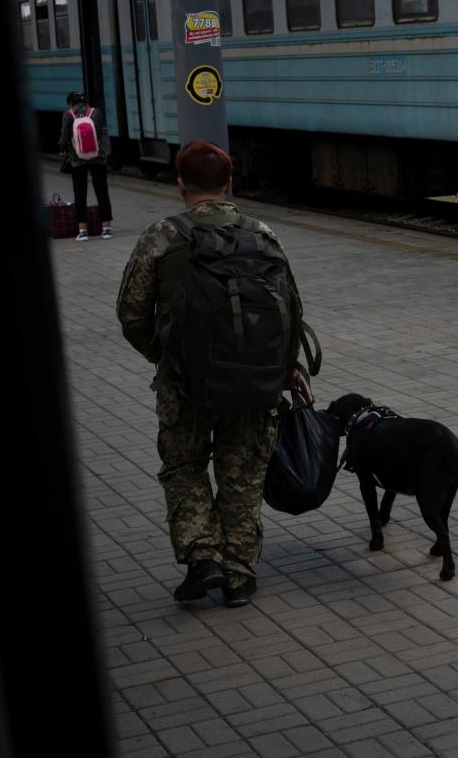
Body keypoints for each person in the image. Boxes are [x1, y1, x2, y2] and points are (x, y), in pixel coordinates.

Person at [116, 141, 311, 607]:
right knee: (242, 475)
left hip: (184, 385)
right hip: (253, 382)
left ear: (180, 183)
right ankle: (239, 576)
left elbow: (131, 314)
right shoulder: (262, 233)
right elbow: (293, 309)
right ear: (228, 184)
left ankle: (202, 559)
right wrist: (285, 372)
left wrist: (165, 357)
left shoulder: (161, 237)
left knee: (185, 468)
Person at [59, 91, 114, 241]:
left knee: (80, 194)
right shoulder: (96, 112)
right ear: (86, 102)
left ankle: (83, 231)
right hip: (97, 157)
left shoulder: (68, 114)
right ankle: (106, 229)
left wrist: (62, 149)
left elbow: (64, 137)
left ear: (70, 102)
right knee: (102, 192)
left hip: (77, 159)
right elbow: (101, 134)